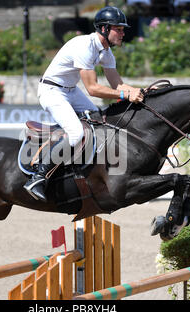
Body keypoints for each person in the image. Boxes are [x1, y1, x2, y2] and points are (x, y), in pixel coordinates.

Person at [23, 6, 144, 202]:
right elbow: (93, 89)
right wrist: (125, 94)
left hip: (70, 91)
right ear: (104, 29)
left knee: (99, 121)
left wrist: (141, 92)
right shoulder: (85, 46)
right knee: (77, 133)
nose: (123, 33)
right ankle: (38, 177)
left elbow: (118, 84)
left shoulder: (105, 52)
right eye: (118, 29)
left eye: (123, 29)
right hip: (52, 91)